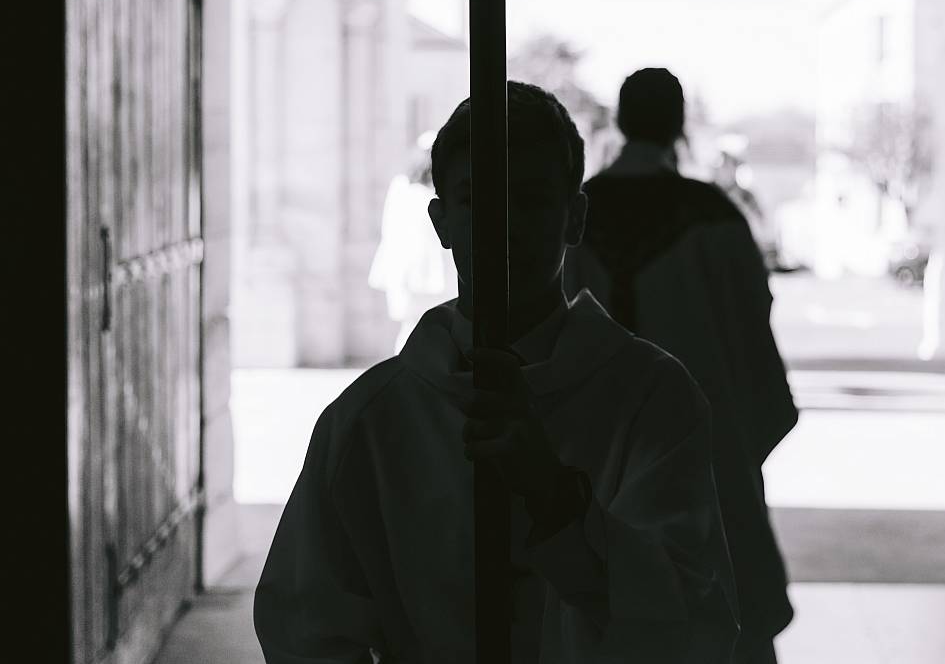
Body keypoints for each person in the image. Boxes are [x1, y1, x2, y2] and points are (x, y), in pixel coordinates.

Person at [255, 82, 740, 663]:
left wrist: (558, 501)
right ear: (441, 222)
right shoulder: (369, 421)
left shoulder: (652, 400)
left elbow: (696, 625)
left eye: (531, 198)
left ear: (574, 216)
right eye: (477, 200)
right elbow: (305, 627)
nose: (503, 226)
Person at [562, 67, 798, 664]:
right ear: (679, 125)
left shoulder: (575, 217)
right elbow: (752, 335)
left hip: (593, 448)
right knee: (724, 612)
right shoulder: (714, 219)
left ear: (620, 121)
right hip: (707, 444)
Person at [368, 134, 455, 353]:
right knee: (413, 326)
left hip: (423, 269)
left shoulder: (411, 188)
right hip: (414, 269)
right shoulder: (405, 187)